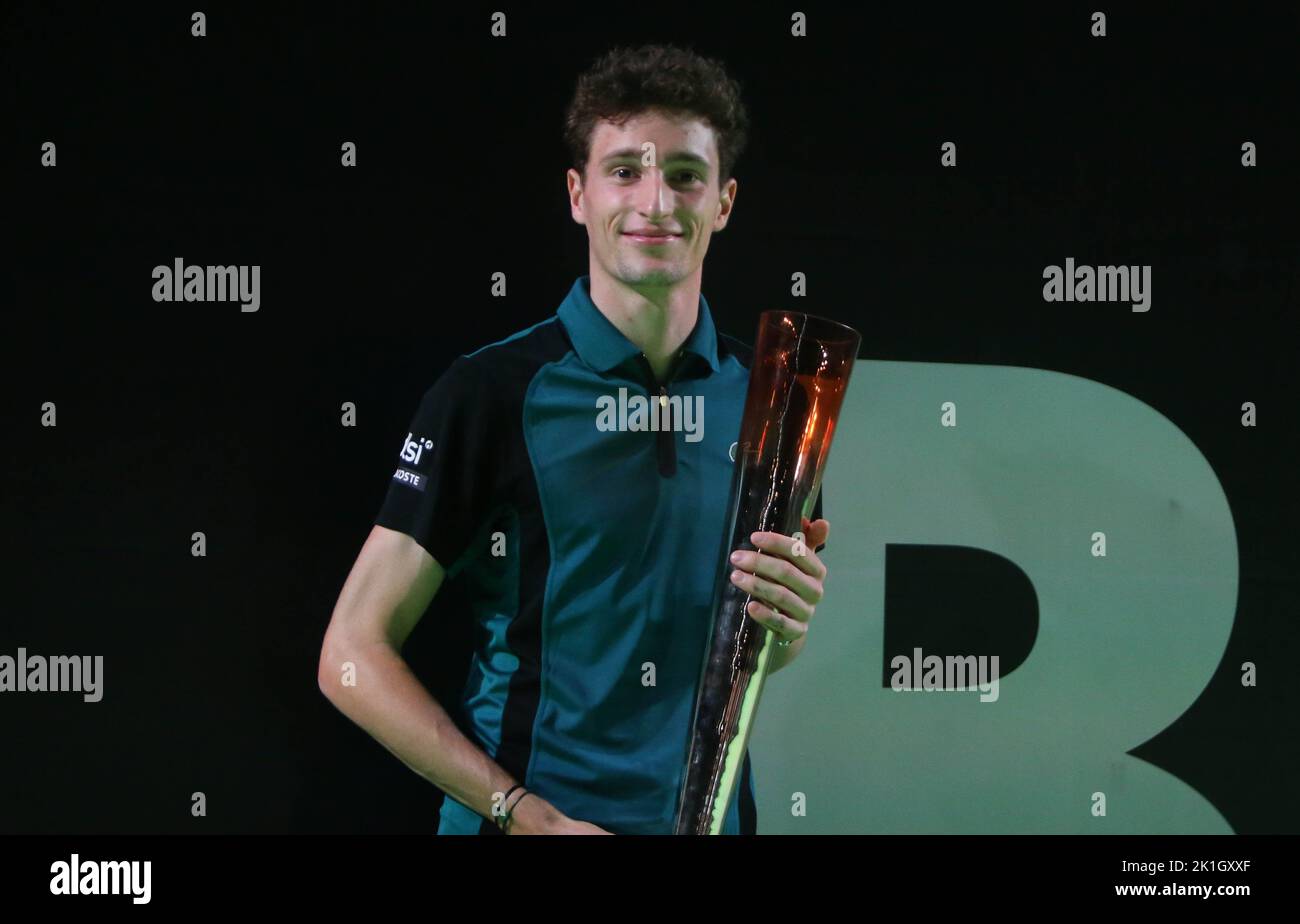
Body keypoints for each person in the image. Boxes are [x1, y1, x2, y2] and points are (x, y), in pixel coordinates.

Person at [318, 43, 831, 835]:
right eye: (625, 169)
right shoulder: (490, 393)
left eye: (686, 175)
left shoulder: (775, 399)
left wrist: (787, 628)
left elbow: (750, 651)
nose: (657, 201)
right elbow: (350, 655)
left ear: (724, 201)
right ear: (577, 195)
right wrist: (526, 815)